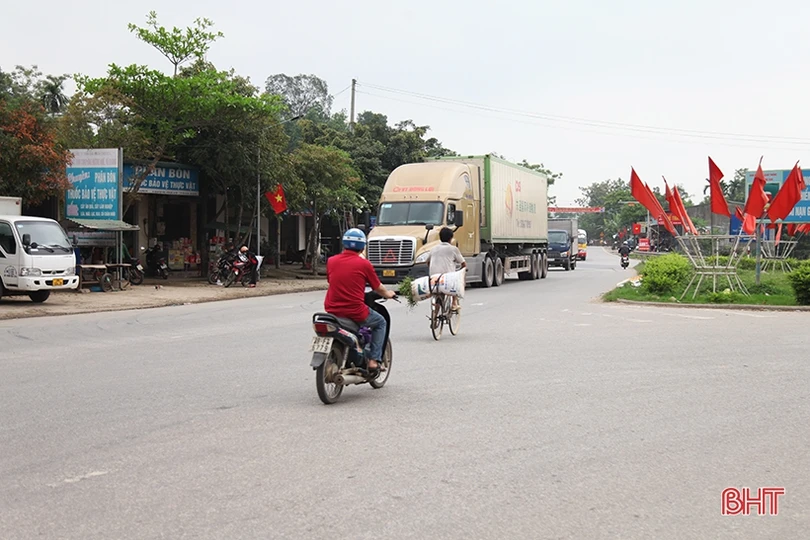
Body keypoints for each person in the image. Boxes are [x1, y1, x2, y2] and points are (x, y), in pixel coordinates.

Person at [324, 228, 396, 371]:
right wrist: (388, 294)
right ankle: (374, 360)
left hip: (331, 309)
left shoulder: (331, 261)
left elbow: (330, 280)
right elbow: (378, 287)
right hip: (355, 311)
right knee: (381, 322)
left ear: (344, 244)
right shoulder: (364, 264)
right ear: (363, 247)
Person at [424, 227, 466, 313]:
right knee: (456, 282)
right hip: (447, 278)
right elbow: (463, 264)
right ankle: (454, 303)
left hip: (434, 277)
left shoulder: (433, 249)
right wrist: (463, 269)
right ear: (451, 238)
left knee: (437, 293)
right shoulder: (453, 249)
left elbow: (427, 261)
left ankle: (435, 316)